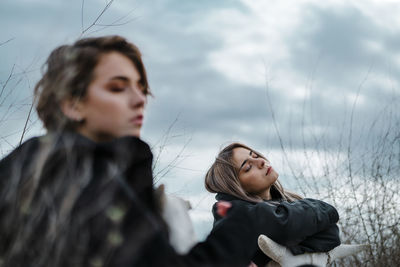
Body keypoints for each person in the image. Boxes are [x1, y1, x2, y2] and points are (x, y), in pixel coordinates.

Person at [0, 35, 339, 267]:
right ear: (72, 103)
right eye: (117, 87)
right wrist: (242, 226)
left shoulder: (101, 174)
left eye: (141, 88)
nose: (138, 99)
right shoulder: (65, 165)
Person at [205, 142, 341, 266]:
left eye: (255, 155)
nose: (261, 161)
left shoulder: (291, 201)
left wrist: (289, 246)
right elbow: (283, 225)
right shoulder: (231, 215)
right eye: (248, 167)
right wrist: (305, 228)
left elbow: (332, 234)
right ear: (235, 186)